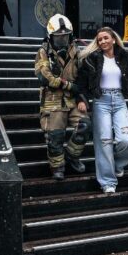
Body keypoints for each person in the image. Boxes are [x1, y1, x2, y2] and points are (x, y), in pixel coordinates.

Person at [76, 27, 128, 194]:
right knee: (104, 142)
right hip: (100, 101)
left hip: (119, 101)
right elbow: (81, 80)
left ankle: (117, 165)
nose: (102, 41)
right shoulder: (92, 58)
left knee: (127, 142)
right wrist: (81, 100)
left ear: (114, 39)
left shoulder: (124, 56)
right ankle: (108, 182)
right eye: (99, 39)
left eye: (105, 38)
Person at [35, 14, 91, 181]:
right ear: (50, 37)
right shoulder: (43, 52)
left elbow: (82, 75)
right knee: (55, 136)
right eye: (58, 38)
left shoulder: (76, 51)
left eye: (65, 37)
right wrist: (67, 85)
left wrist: (81, 97)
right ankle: (57, 166)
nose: (62, 41)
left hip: (72, 99)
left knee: (85, 125)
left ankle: (71, 156)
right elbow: (44, 77)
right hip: (53, 100)